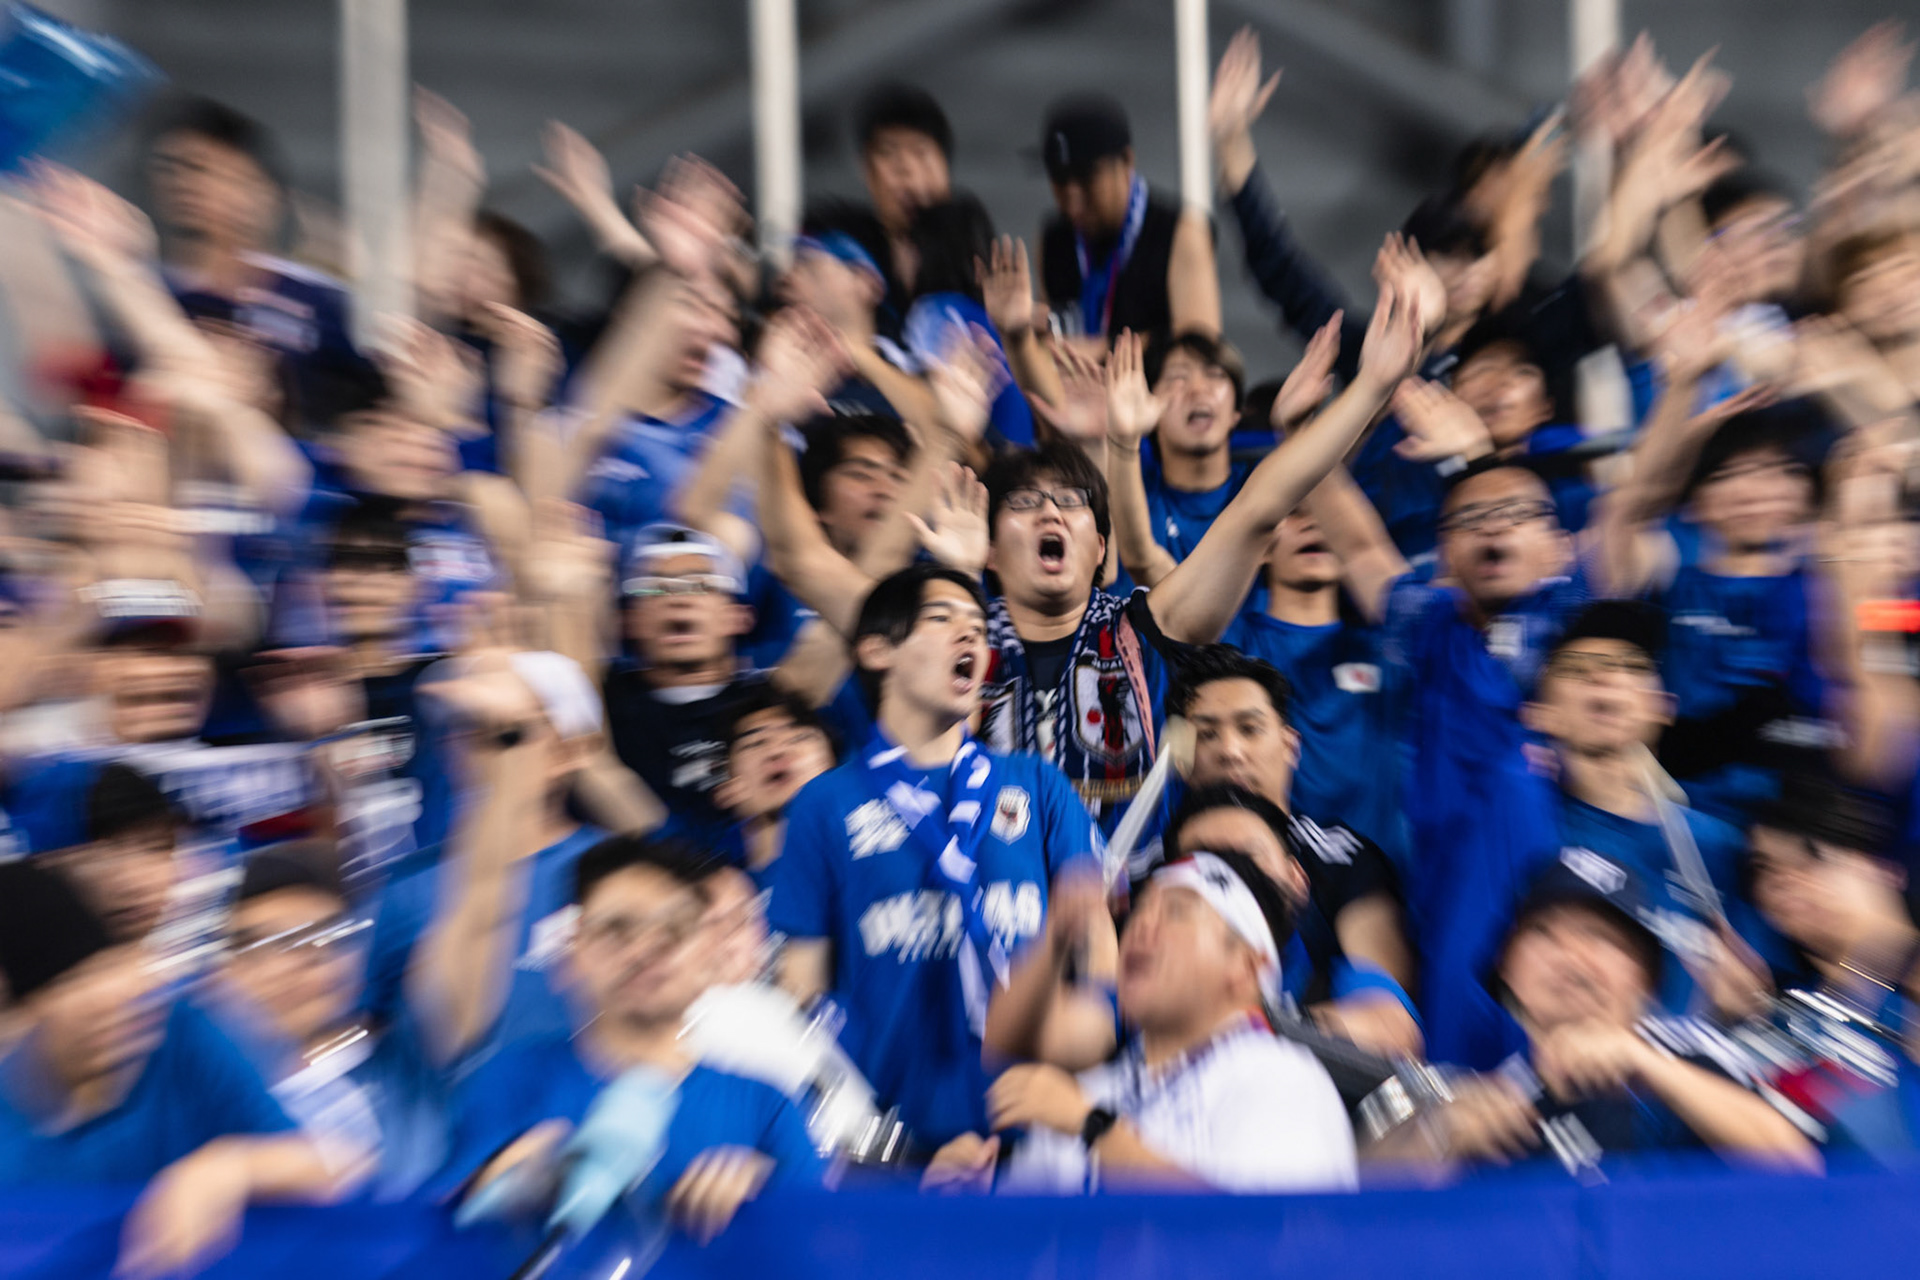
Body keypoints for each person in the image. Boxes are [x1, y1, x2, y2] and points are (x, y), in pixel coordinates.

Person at [759, 278, 1427, 826]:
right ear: (992, 552)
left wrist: (1369, 388)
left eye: (1072, 503)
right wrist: (766, 419)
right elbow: (801, 562)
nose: (1051, 511)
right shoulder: (942, 632)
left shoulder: (1146, 631)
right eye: (1024, 504)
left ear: (1100, 546)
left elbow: (1259, 509)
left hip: (1122, 939)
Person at [765, 565, 1108, 1149]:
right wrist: (858, 1133)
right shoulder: (823, 803)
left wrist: (1092, 1025)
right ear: (878, 650)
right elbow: (801, 989)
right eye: (942, 618)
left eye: (978, 627)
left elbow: (1094, 940)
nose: (970, 635)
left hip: (1035, 1129)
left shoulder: (1039, 785)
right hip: (886, 1141)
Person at [441, 835, 824, 1251]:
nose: (643, 951)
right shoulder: (509, 1081)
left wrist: (768, 1201)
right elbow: (445, 1229)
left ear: (707, 958)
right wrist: (508, 1185)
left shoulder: (765, 1105)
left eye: (672, 931)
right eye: (617, 930)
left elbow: (824, 1247)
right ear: (572, 954)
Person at [0, 861, 364, 1275]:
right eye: (70, 986)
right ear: (23, 1018)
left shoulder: (185, 1032)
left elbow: (332, 1166)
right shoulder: (12, 1118)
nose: (108, 999)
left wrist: (230, 1166)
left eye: (107, 969)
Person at [923, 847, 1356, 1194]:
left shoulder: (1280, 1078)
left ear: (1248, 965)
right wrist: (968, 1211)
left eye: (1177, 912)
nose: (1143, 926)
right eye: (1141, 911)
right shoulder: (1091, 1093)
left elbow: (1264, 1245)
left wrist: (1097, 1131)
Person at [1365, 849, 1819, 1177]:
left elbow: (1800, 1168)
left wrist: (1643, 1061)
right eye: (1544, 933)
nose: (1571, 958)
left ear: (1647, 981)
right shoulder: (1475, 1094)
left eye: (1602, 938)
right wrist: (1434, 1140)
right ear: (1506, 972)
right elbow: (1338, 1210)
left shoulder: (1691, 1054)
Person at [363, 644, 606, 1067]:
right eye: (459, 728)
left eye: (500, 731)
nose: (465, 747)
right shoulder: (404, 885)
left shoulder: (616, 870)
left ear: (568, 751)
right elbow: (370, 1033)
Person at [1521, 601, 1755, 1012]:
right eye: (1575, 669)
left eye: (1629, 666)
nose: (1602, 676)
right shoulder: (1521, 831)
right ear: (1539, 714)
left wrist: (1749, 995)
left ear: (1663, 705)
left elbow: (1756, 992)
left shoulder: (1718, 845)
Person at [212, 845, 448, 1200]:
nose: (303, 962)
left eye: (328, 938)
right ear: (226, 970)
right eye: (276, 944)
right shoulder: (203, 1096)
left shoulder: (409, 1062)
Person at [143, 96, 365, 424]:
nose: (184, 184)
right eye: (171, 170)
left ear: (261, 192)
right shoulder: (144, 296)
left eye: (201, 169)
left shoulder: (320, 302)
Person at [1737, 775, 1920, 1159]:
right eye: (1765, 867)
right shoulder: (1783, 1029)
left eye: (1812, 855)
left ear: (1886, 868)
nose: (1785, 880)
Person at [1034, 93, 1221, 342]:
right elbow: (1047, 341)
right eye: (1059, 179)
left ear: (1126, 161)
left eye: (1085, 178)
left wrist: (1100, 353)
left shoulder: (1181, 233)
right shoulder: (1052, 240)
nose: (1073, 199)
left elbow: (1201, 349)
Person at [1104, 330, 1259, 590]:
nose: (1198, 389)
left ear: (1236, 412)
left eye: (1216, 374)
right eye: (1177, 377)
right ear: (1148, 401)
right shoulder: (1124, 493)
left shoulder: (1261, 490)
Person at [713, 686, 840, 875]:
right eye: (756, 743)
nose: (777, 751)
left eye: (799, 738)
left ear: (834, 761)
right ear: (729, 781)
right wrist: (763, 831)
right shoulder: (720, 881)